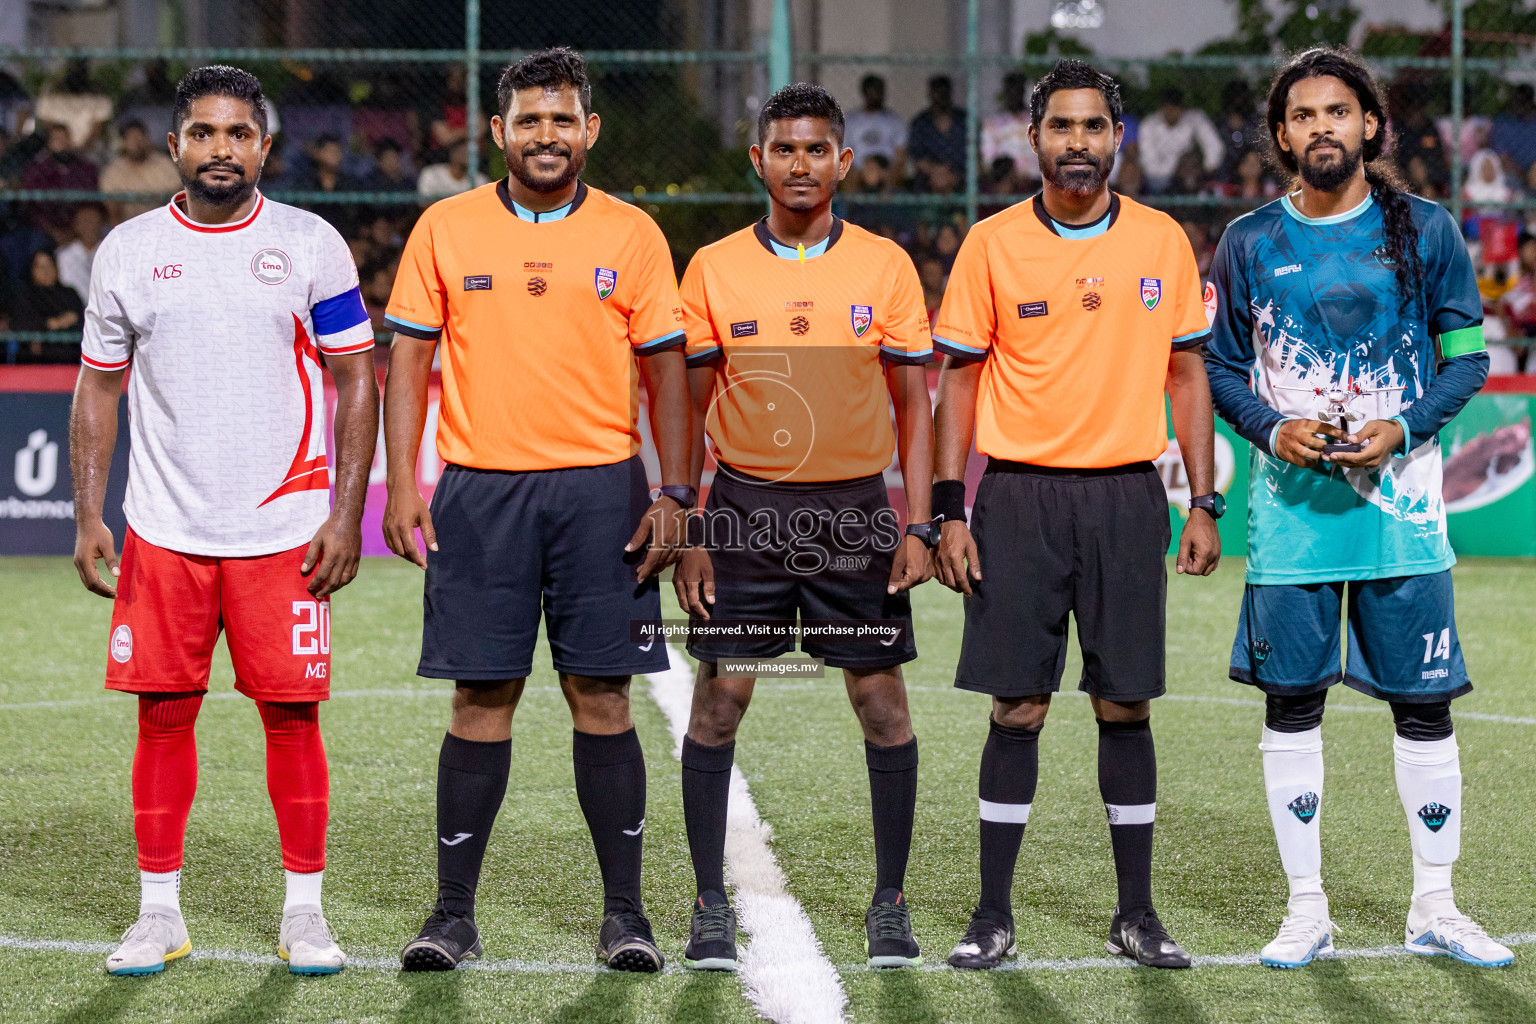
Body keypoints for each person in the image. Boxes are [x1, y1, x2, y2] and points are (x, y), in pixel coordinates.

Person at [382, 46, 691, 974]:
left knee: (602, 697)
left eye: (563, 119)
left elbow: (668, 368)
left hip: (603, 492)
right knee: (480, 699)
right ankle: (451, 917)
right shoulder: (446, 227)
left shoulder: (632, 233)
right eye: (530, 120)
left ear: (589, 130)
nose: (546, 135)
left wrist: (675, 490)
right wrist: (405, 483)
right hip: (481, 494)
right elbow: (407, 363)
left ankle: (625, 917)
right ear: (499, 131)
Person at [1204, 46, 1510, 970]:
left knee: (1424, 710)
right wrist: (1268, 428)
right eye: (1302, 116)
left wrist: (1406, 427)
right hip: (1293, 524)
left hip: (1405, 518)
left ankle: (1437, 906)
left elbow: (1468, 358)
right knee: (1292, 707)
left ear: (1370, 125)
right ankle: (1307, 911)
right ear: (1282, 134)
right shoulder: (1249, 240)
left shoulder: (1429, 230)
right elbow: (1218, 368)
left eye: (1338, 112)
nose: (1321, 128)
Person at [70, 65, 379, 978]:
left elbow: (356, 375)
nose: (220, 149)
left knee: (293, 719)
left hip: (284, 531)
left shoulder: (311, 242)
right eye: (202, 133)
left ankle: (305, 914)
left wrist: (345, 513)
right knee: (163, 716)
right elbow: (98, 385)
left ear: (264, 148)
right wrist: (90, 511)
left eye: (238, 133)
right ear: (174, 146)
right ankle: (158, 913)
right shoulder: (128, 250)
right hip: (163, 528)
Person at [931, 58, 1220, 971]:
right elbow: (961, 380)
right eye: (1063, 127)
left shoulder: (1162, 241)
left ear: (1118, 139)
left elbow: (1186, 373)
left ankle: (1135, 914)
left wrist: (1205, 501)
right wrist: (947, 510)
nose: (1079, 143)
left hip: (1127, 495)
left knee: (1123, 702)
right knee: (1017, 708)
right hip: (1016, 498)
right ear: (1035, 139)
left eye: (1095, 128)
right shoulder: (991, 244)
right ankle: (990, 915)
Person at [672, 82, 935, 972]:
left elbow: (913, 400)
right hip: (746, 517)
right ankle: (710, 905)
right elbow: (691, 404)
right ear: (758, 161)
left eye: (817, 149)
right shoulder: (710, 267)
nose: (800, 164)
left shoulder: (886, 266)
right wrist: (698, 526)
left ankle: (890, 903)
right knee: (721, 700)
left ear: (842, 161)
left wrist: (921, 521)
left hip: (857, 519)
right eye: (784, 149)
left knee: (882, 704)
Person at [1137, 87, 1224, 194]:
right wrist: (1177, 169)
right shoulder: (1149, 124)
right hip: (1161, 178)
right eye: (1168, 108)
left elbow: (1214, 146)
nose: (1172, 112)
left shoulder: (1194, 118)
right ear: (1162, 108)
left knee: (1202, 179)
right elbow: (1149, 166)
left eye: (1176, 108)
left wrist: (1205, 169)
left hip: (1193, 173)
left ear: (1182, 109)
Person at [19, 122, 99, 233]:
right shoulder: (37, 171)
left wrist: (76, 228)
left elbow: (91, 201)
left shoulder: (86, 169)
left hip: (79, 227)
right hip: (45, 228)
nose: (61, 143)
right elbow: (32, 208)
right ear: (49, 143)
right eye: (56, 139)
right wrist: (51, 230)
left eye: (64, 139)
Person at [99, 120, 182, 224]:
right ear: (124, 142)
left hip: (161, 224)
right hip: (127, 226)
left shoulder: (163, 164)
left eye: (140, 137)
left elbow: (178, 197)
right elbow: (113, 211)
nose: (137, 143)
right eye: (132, 138)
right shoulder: (114, 170)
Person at [11, 248, 83, 362]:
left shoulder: (70, 294)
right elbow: (20, 324)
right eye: (40, 266)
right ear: (31, 270)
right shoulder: (24, 296)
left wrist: (58, 323)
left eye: (49, 265)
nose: (46, 271)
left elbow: (81, 319)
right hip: (34, 363)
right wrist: (52, 323)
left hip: (70, 362)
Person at [909, 76, 967, 193]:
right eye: (937, 92)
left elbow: (974, 157)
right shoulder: (921, 122)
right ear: (930, 95)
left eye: (944, 92)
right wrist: (936, 172)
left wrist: (951, 175)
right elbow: (917, 158)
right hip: (929, 175)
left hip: (959, 174)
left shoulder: (964, 120)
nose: (941, 97)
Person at [982, 72, 1040, 189]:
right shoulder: (993, 124)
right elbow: (988, 161)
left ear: (1024, 93)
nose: (1015, 95)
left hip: (1036, 181)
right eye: (1011, 91)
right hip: (1006, 183)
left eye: (1019, 91)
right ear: (1005, 93)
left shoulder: (1038, 123)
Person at [843, 74, 907, 178]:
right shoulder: (851, 120)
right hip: (859, 169)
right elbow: (843, 152)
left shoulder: (894, 120)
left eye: (879, 91)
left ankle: (886, 193)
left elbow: (901, 154)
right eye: (872, 92)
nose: (876, 96)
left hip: (886, 168)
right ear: (864, 93)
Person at [55, 201, 106, 298]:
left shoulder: (111, 253)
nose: (91, 227)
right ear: (76, 225)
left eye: (95, 221)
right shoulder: (63, 256)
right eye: (86, 222)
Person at [1491, 83, 1536, 179]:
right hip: (1511, 174)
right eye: (1518, 100)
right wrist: (1521, 175)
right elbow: (1501, 157)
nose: (1521, 105)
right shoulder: (1502, 122)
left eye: (1525, 101)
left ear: (1531, 103)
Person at [417, 138, 486, 198]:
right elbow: (424, 204)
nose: (466, 155)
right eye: (462, 151)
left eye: (470, 153)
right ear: (452, 153)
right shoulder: (431, 173)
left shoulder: (479, 179)